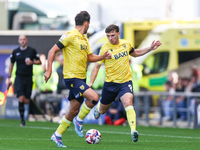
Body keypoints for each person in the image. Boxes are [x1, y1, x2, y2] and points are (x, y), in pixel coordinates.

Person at [44, 11, 111, 148]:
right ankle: (79, 120)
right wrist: (49, 69)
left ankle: (57, 135)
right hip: (72, 77)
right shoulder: (69, 36)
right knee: (93, 98)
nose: (88, 27)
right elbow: (52, 51)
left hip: (81, 78)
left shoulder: (84, 39)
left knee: (73, 110)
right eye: (89, 25)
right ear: (86, 23)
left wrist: (103, 56)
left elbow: (90, 57)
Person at [89, 24, 161, 143]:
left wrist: (150, 48)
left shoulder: (125, 44)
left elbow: (135, 53)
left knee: (128, 102)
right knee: (102, 111)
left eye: (112, 35)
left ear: (118, 33)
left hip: (125, 82)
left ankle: (133, 131)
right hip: (110, 84)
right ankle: (99, 106)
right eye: (108, 36)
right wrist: (91, 83)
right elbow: (96, 66)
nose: (110, 38)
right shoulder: (104, 48)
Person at [7, 35, 41, 126]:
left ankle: (25, 115)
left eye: (24, 39)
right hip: (19, 78)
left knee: (26, 100)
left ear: (26, 40)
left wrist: (32, 62)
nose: (22, 41)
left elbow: (39, 61)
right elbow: (11, 64)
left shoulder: (31, 51)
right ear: (18, 41)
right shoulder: (15, 52)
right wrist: (9, 77)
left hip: (29, 78)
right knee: (21, 98)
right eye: (21, 39)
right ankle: (22, 120)